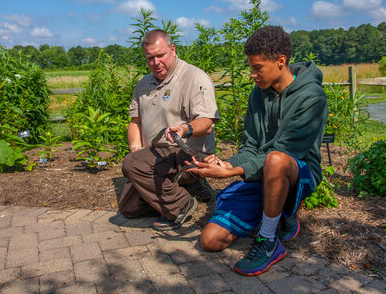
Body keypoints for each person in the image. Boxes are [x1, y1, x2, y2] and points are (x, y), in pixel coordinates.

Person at [187, 26, 328, 276]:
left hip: (299, 172)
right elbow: (250, 145)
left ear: (281, 61)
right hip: (261, 172)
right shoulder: (258, 94)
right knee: (211, 240)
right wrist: (228, 165)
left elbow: (287, 151)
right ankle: (278, 210)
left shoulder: (312, 97)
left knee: (275, 159)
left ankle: (268, 239)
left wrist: (236, 172)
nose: (252, 74)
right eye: (251, 67)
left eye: (257, 67)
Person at [110, 29, 219, 230]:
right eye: (150, 58)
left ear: (173, 49)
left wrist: (185, 129)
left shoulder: (194, 78)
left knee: (132, 166)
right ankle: (191, 189)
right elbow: (135, 121)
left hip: (189, 154)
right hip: (155, 157)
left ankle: (180, 205)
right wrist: (136, 150)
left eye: (161, 55)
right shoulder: (143, 84)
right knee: (128, 208)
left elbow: (207, 122)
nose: (156, 62)